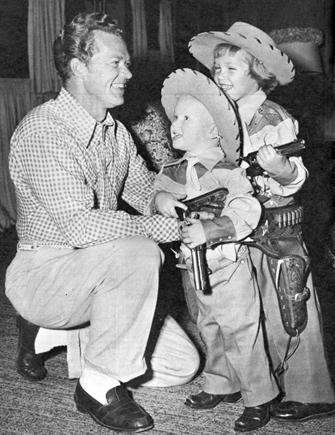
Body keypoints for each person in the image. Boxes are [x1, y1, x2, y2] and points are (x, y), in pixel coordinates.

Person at [5, 12, 200, 433]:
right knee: (139, 252)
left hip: (96, 272)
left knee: (181, 365)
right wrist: (160, 230)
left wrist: (162, 198)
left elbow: (142, 189)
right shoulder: (44, 131)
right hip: (46, 273)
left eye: (126, 62)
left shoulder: (113, 129)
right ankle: (95, 386)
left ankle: (52, 337)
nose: (128, 73)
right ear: (78, 67)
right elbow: (80, 227)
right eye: (116, 63)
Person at [189, 21, 335, 422]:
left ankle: (311, 392)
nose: (220, 76)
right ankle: (239, 380)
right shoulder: (219, 115)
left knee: (288, 308)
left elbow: (296, 179)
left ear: (260, 74)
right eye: (217, 69)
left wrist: (282, 167)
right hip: (234, 229)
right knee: (235, 310)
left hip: (276, 228)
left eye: (231, 69)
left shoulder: (274, 117)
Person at [151, 67, 280, 432]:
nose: (175, 125)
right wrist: (160, 198)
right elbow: (150, 198)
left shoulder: (227, 170)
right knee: (207, 324)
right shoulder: (172, 170)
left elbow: (247, 208)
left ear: (213, 130)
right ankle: (221, 383)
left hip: (226, 262)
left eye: (186, 118)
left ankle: (259, 395)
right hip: (189, 266)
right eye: (175, 118)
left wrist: (211, 228)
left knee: (241, 328)